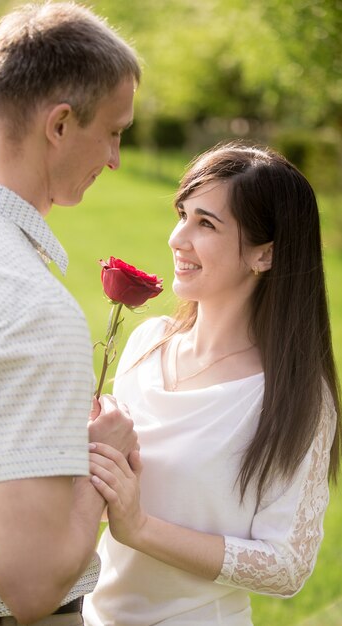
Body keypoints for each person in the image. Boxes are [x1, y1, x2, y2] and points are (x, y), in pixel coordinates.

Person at [0, 3, 141, 626]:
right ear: (60, 125)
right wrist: (100, 467)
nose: (117, 157)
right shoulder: (33, 310)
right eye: (114, 130)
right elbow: (32, 583)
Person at [84, 143, 341, 625]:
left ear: (264, 254)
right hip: (94, 616)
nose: (177, 238)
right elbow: (108, 498)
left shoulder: (291, 396)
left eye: (206, 224)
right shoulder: (147, 343)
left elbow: (286, 566)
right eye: (182, 215)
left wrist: (139, 527)